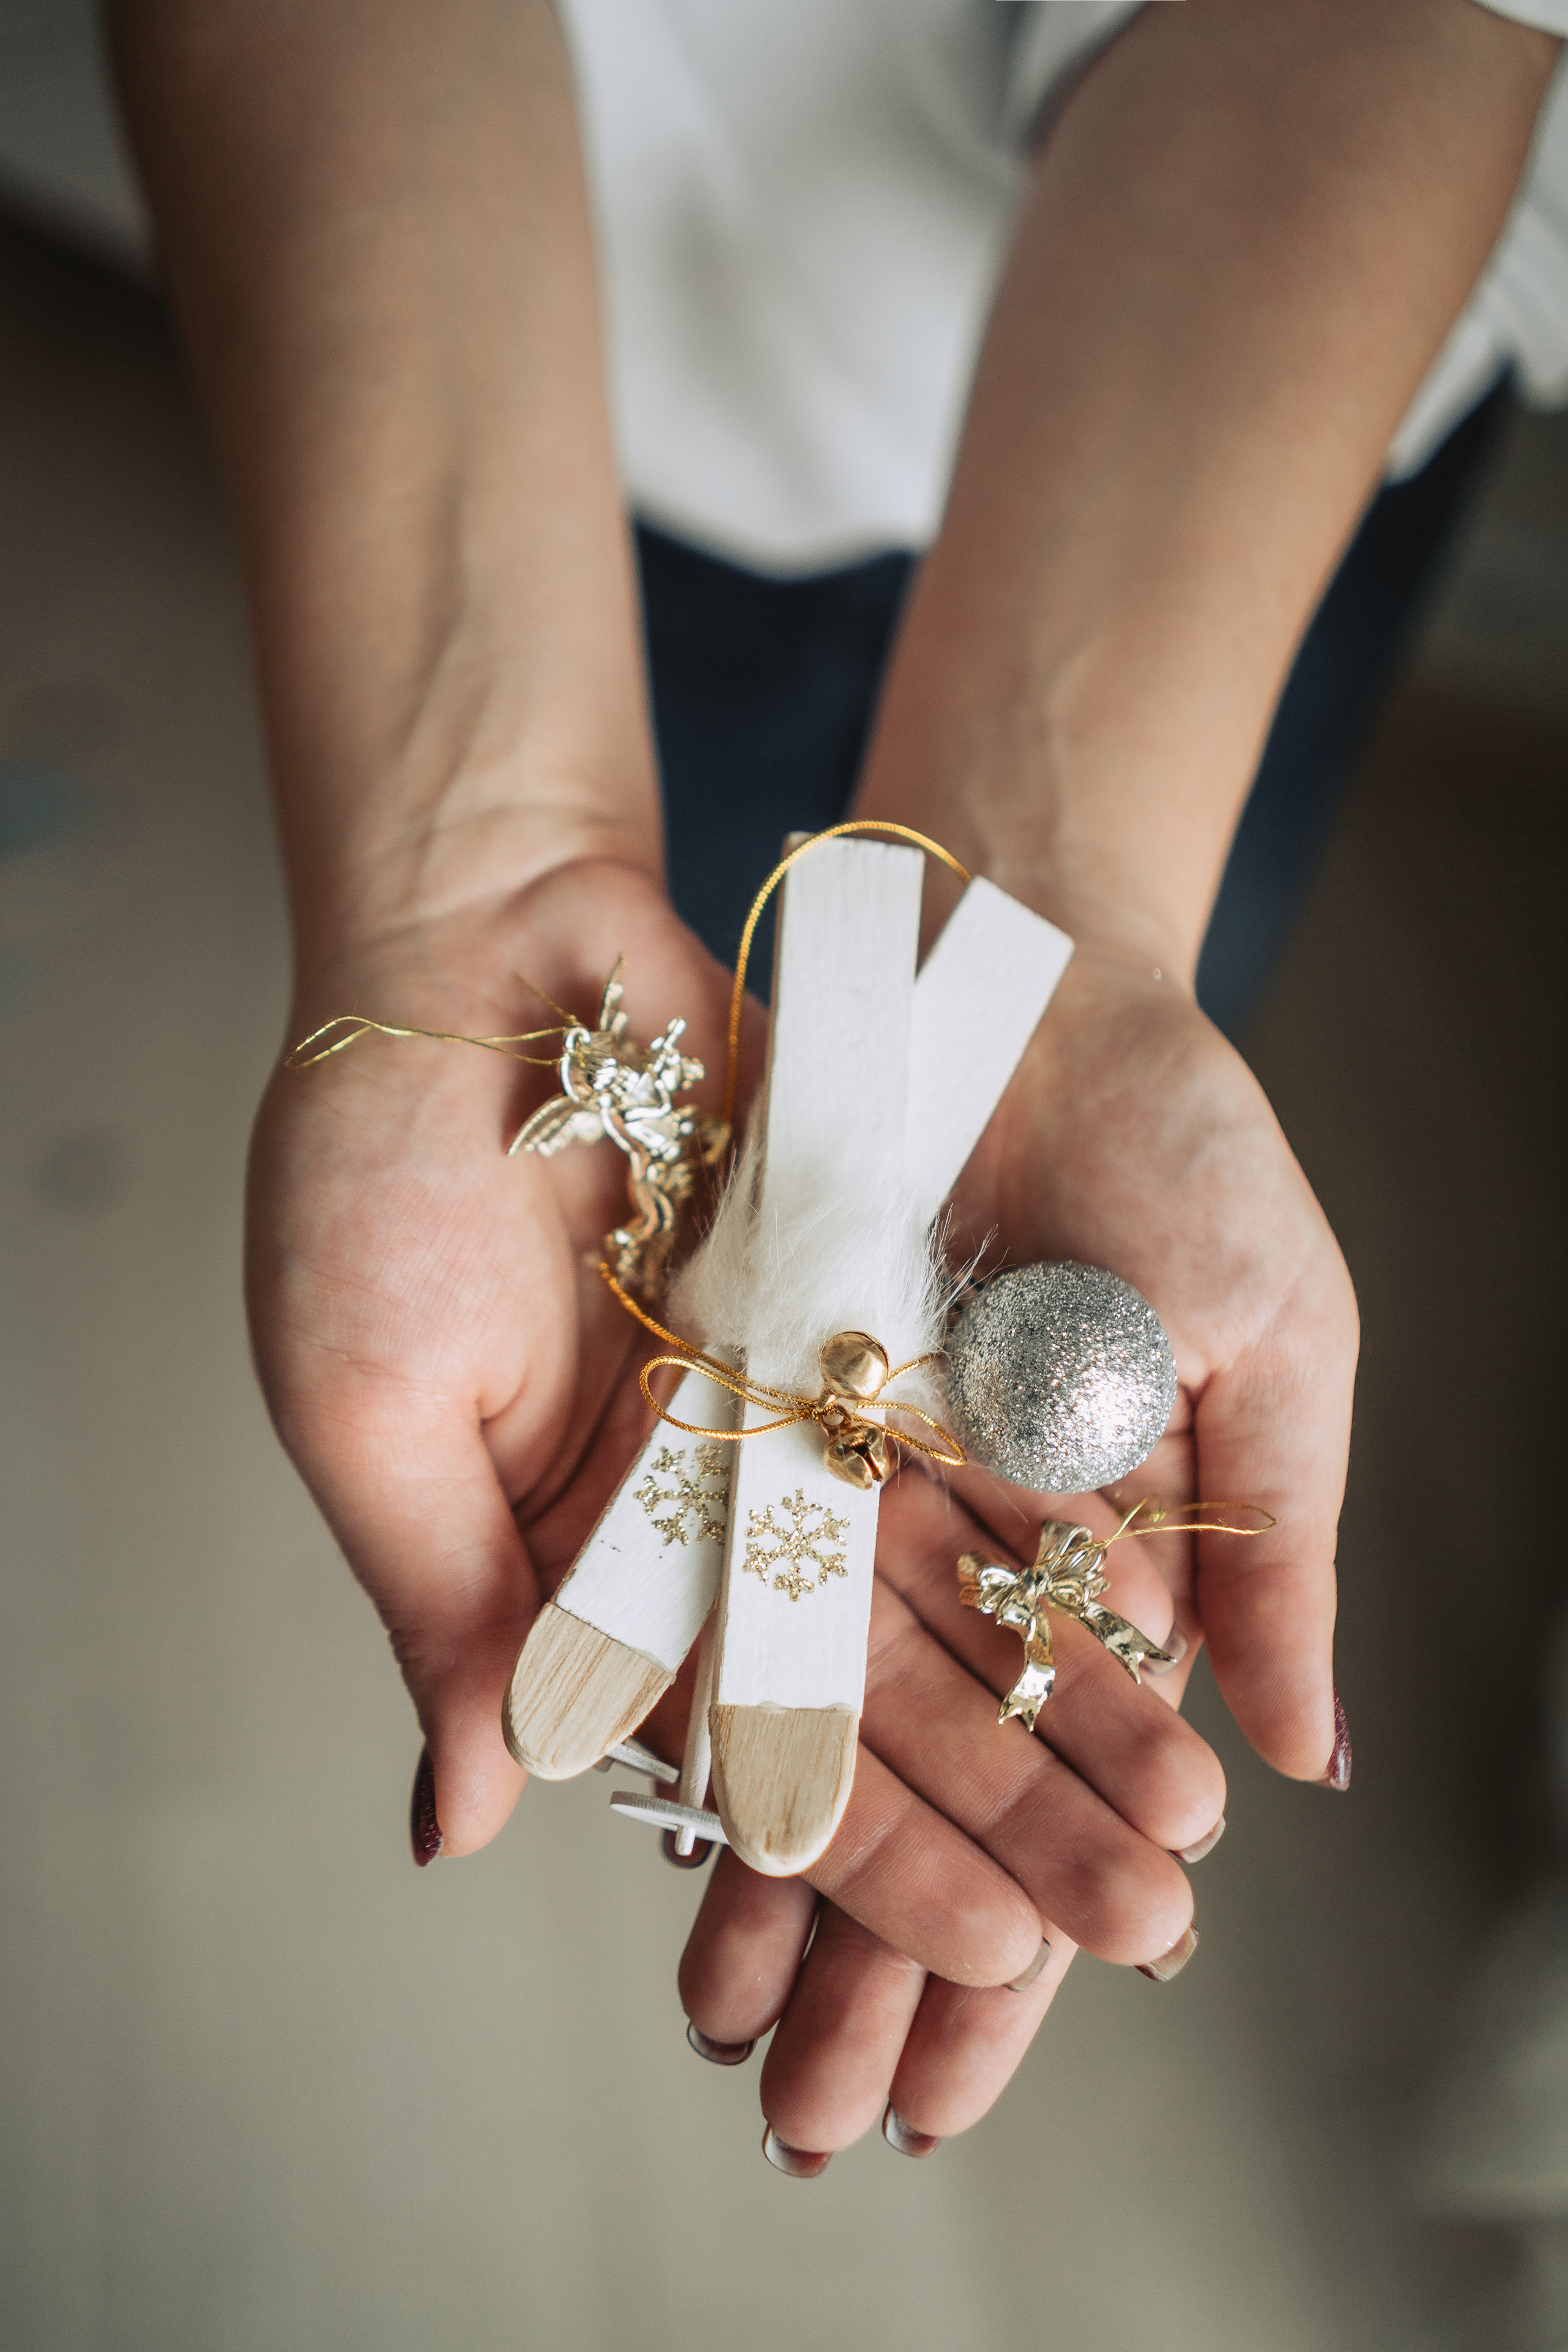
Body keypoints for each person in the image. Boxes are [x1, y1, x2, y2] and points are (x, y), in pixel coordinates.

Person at [107, 0, 1562, 2171]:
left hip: (1230, 420)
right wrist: (468, 850)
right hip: (518, 317)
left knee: (1014, 954)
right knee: (705, 861)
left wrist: (1070, 900)